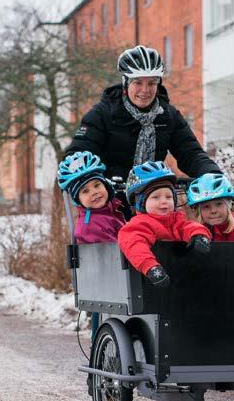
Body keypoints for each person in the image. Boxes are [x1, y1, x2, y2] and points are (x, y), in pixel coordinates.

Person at [64, 45, 221, 216]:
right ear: (126, 82)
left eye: (151, 83)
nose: (145, 90)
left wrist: (212, 174)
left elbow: (190, 153)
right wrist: (98, 182)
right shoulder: (102, 114)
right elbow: (77, 157)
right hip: (110, 204)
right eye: (138, 82)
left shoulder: (168, 116)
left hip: (153, 200)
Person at [118, 161, 211, 287]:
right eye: (156, 197)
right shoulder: (139, 224)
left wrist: (198, 235)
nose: (164, 202)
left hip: (181, 280)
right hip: (151, 286)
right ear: (140, 202)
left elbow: (188, 227)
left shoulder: (175, 220)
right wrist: (150, 267)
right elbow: (134, 244)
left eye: (168, 197)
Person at [57, 151, 125, 244]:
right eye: (85, 191)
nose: (94, 192)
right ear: (78, 200)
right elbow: (116, 254)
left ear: (106, 186)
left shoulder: (108, 212)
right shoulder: (90, 227)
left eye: (97, 185)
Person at [186, 173, 234, 241]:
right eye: (206, 206)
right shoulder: (195, 233)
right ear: (199, 211)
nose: (213, 211)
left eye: (219, 204)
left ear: (229, 205)